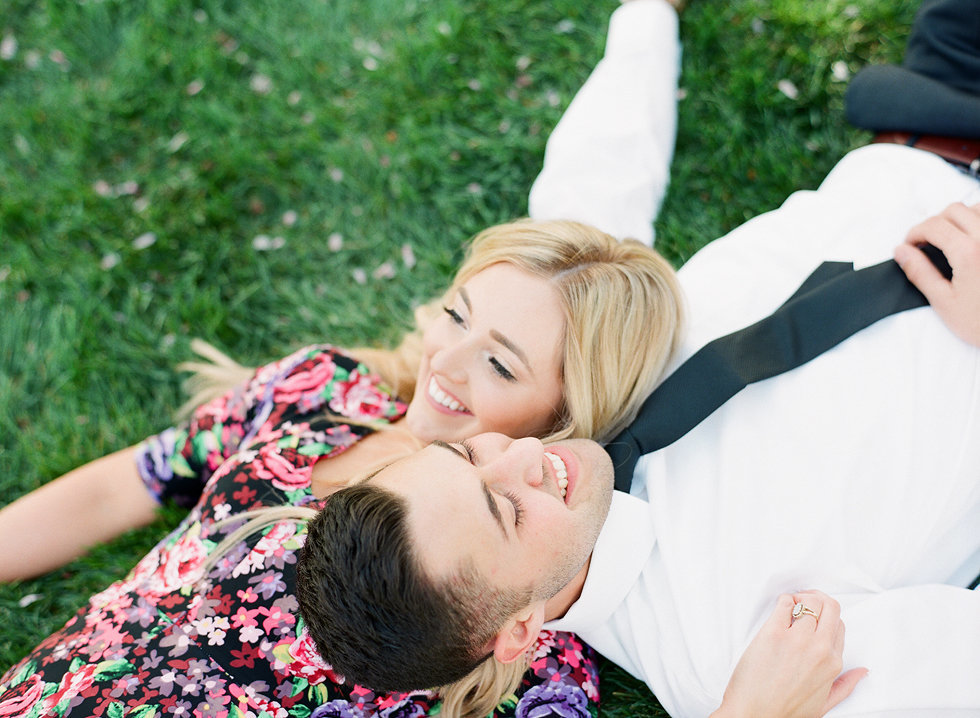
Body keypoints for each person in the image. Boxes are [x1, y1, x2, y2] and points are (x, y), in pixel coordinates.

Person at [297, 0, 980, 716]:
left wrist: (647, 13)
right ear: (520, 630)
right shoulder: (749, 668)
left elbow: (589, 195)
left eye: (469, 459)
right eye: (505, 510)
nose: (522, 459)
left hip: (933, 117)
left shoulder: (570, 390)